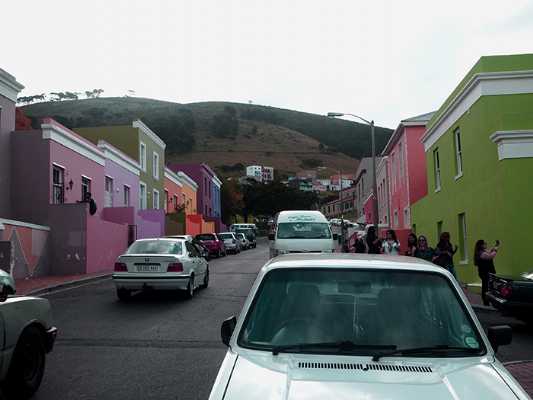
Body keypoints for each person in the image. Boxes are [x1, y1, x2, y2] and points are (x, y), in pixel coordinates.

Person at [474, 239, 499, 306]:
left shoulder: (482, 252)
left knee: (487, 287)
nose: (486, 244)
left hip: (485, 272)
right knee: (486, 288)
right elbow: (490, 256)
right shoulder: (481, 253)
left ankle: (487, 301)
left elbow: (490, 251)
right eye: (484, 244)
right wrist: (495, 250)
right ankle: (486, 302)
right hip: (485, 272)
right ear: (481, 245)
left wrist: (496, 246)